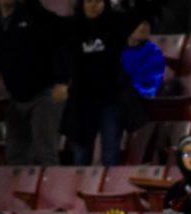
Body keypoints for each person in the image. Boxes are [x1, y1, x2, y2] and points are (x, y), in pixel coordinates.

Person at [0, 0, 72, 167]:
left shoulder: (37, 16)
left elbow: (62, 45)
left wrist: (62, 81)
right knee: (15, 154)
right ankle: (17, 191)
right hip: (16, 97)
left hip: (45, 93)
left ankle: (49, 190)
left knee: (45, 151)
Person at [62, 0, 149, 167]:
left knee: (111, 155)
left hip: (111, 101)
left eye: (98, 1)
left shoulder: (116, 24)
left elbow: (141, 10)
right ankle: (80, 190)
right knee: (81, 156)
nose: (93, 5)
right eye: (89, 1)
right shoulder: (72, 27)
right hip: (82, 102)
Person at [121, 19, 165, 99]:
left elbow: (147, 86)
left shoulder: (153, 53)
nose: (142, 27)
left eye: (146, 23)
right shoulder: (116, 48)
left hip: (134, 101)